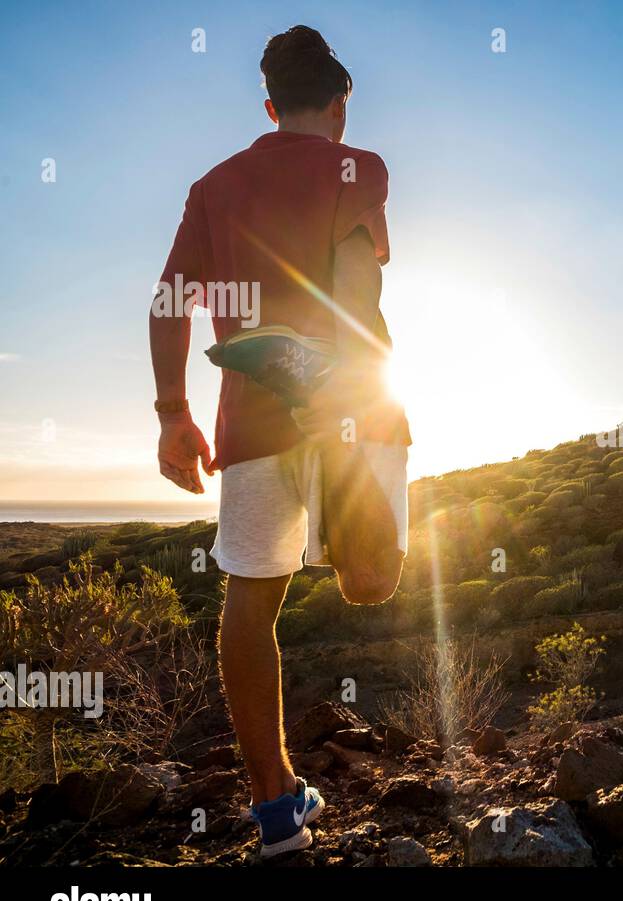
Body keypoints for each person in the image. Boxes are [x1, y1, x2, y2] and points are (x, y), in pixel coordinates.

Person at [148, 25, 410, 858]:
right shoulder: (358, 166)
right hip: (354, 402)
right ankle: (324, 385)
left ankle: (275, 811)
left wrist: (171, 415)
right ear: (340, 102)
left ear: (268, 105)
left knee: (249, 602)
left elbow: (168, 304)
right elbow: (365, 268)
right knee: (371, 582)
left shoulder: (213, 186)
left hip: (249, 414)